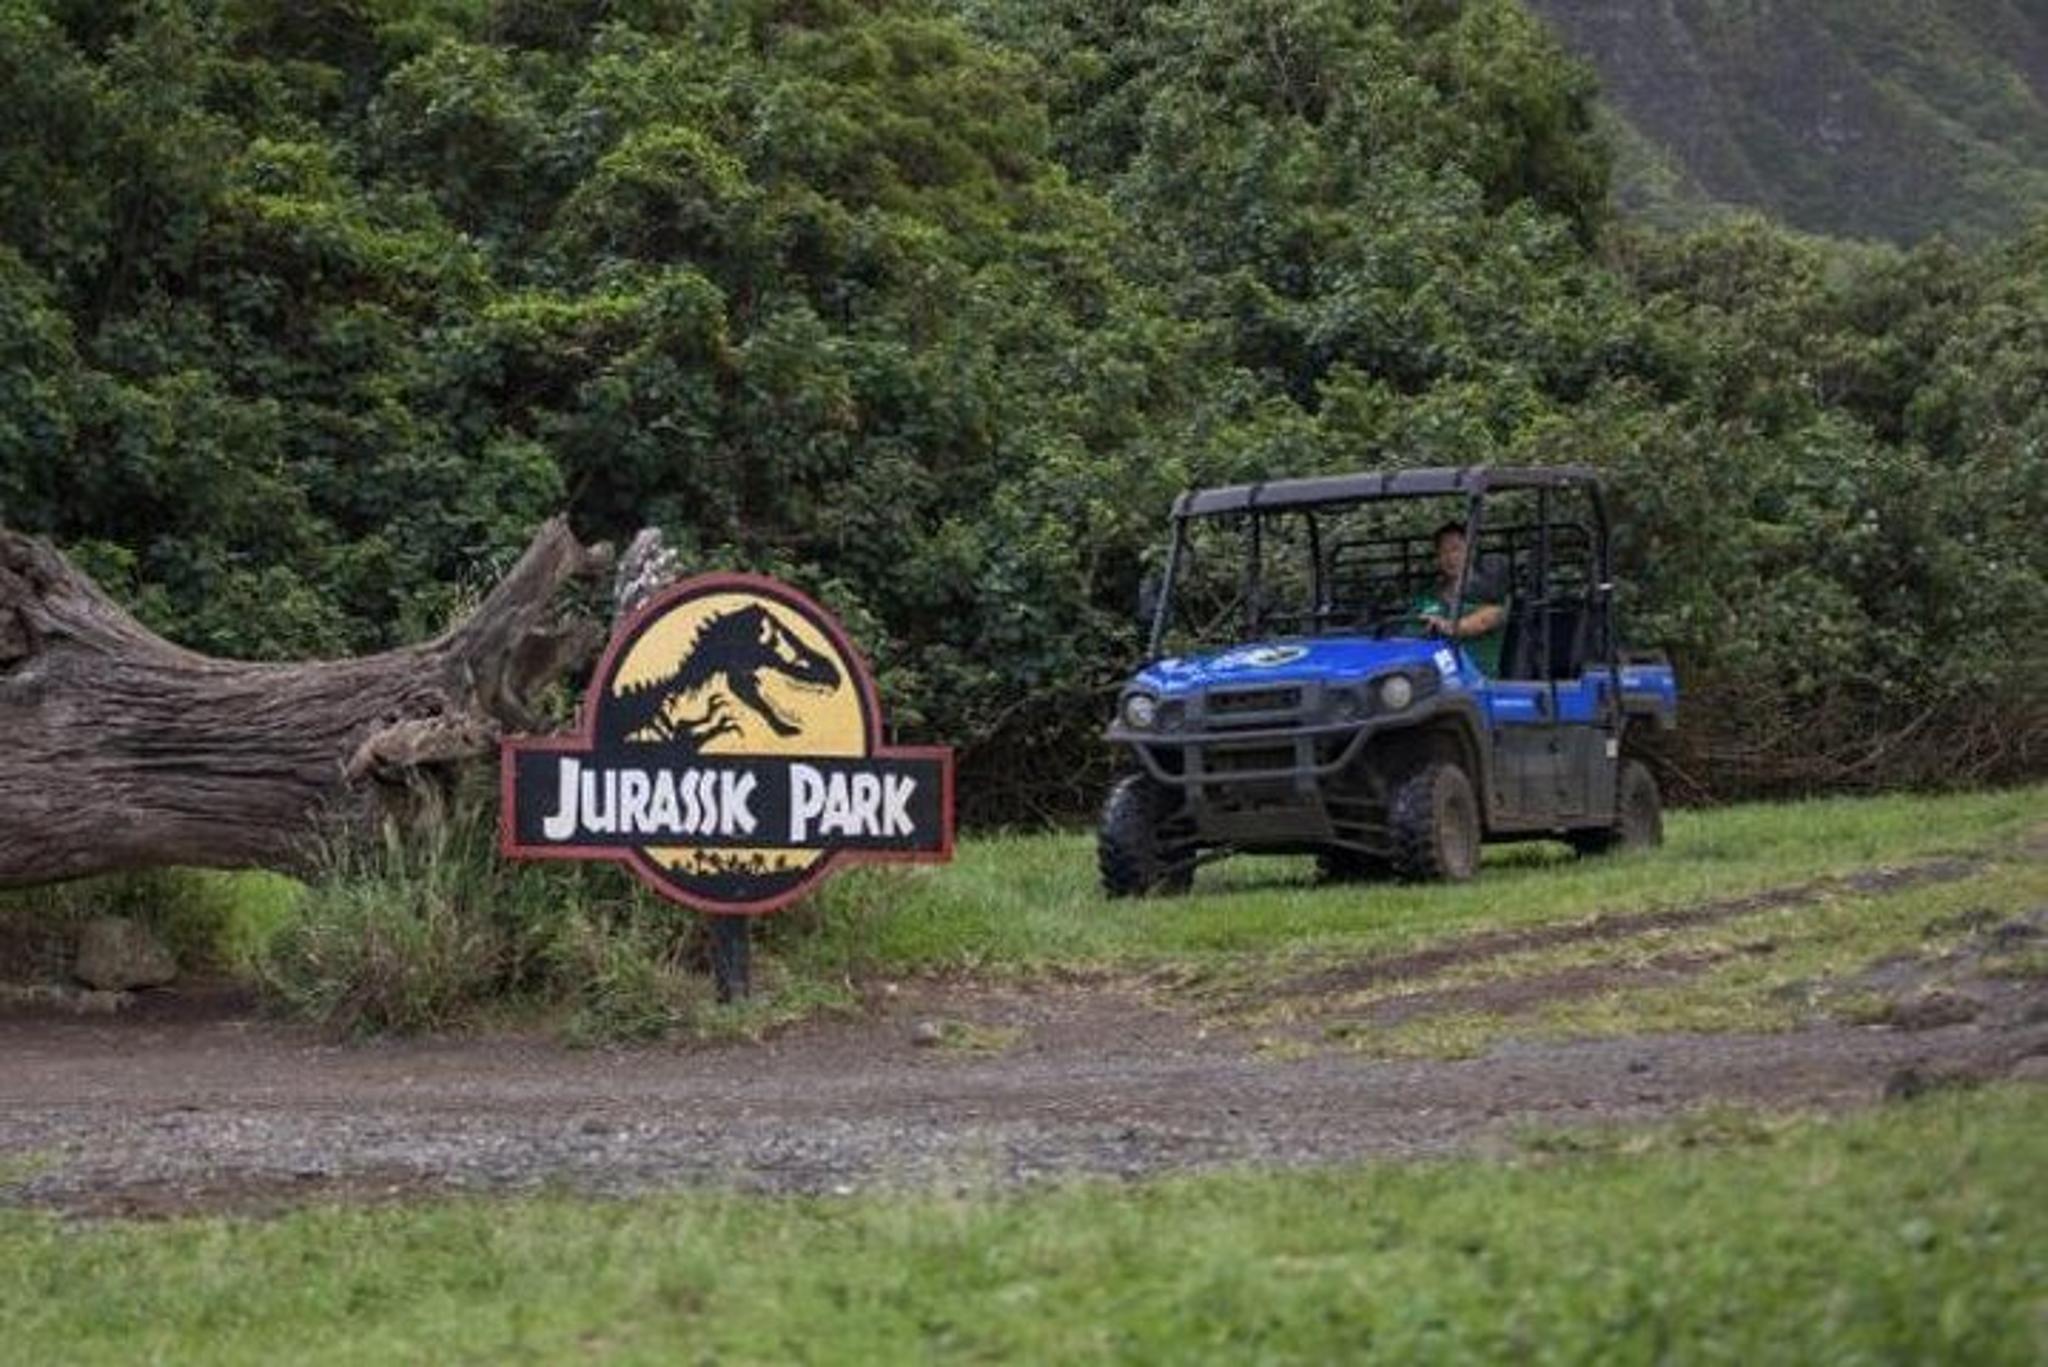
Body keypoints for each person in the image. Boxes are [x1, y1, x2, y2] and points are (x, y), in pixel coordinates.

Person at [1411, 520, 1507, 677]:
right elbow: (1408, 631)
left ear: (1471, 552)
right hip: (1428, 676)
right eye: (1444, 551)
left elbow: (1480, 622)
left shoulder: (1490, 595)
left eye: (1456, 549)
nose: (1451, 557)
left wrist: (1443, 625)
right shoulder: (1428, 596)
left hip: (1475, 681)